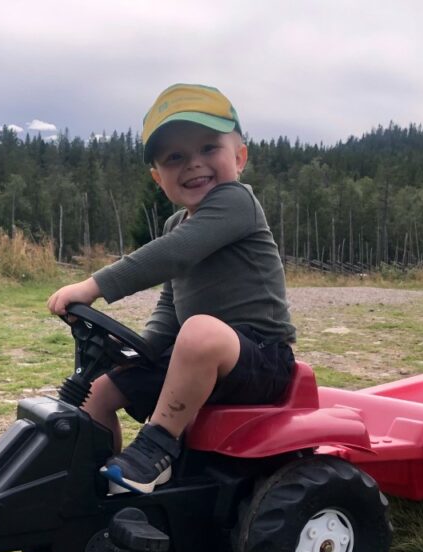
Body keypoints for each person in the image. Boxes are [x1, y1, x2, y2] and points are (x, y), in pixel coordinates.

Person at [47, 83, 296, 494]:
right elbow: (170, 304)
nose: (194, 164)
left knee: (199, 330)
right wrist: (141, 353)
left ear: (240, 156)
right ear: (157, 177)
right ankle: (94, 488)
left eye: (208, 149)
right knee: (101, 389)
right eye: (175, 157)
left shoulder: (238, 204)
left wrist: (95, 285)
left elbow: (175, 255)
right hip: (199, 356)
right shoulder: (175, 224)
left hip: (260, 359)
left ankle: (157, 449)